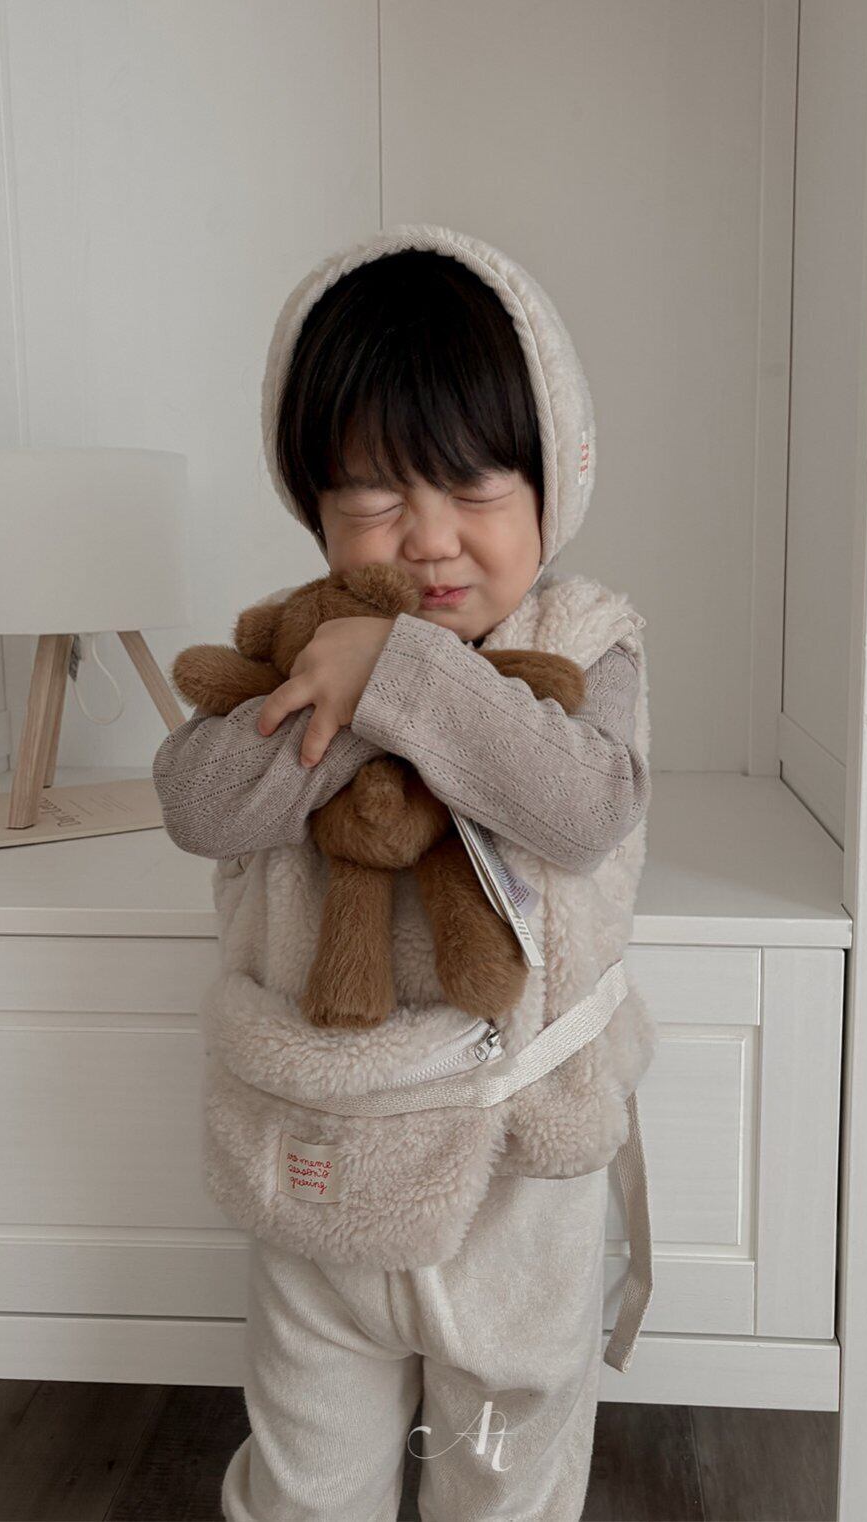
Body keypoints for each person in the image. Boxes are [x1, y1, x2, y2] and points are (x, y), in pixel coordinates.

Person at [152, 225, 654, 1522]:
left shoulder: (587, 640)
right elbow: (199, 804)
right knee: (310, 1470)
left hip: (515, 1169)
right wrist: (342, 677)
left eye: (473, 484)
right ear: (314, 502)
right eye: (375, 494)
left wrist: (404, 677)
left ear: (554, 473)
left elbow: (584, 807)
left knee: (502, 1460)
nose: (429, 538)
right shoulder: (302, 637)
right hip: (321, 1149)